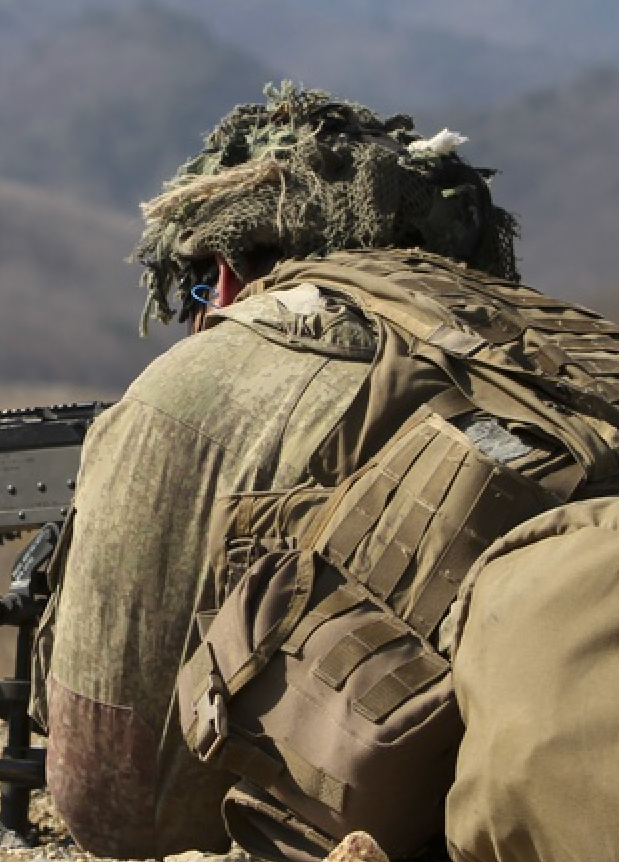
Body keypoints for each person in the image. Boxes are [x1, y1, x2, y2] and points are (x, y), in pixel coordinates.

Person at [37, 83, 619, 861]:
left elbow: (107, 799)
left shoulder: (191, 388)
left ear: (228, 270)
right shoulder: (548, 335)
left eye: (198, 288)